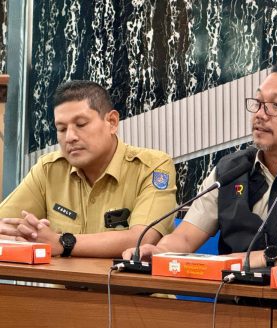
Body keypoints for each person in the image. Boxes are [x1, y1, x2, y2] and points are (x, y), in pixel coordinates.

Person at [123, 62, 277, 270]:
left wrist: (263, 258)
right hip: (234, 304)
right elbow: (186, 237)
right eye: (258, 103)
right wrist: (156, 251)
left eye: (276, 106)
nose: (260, 115)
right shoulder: (229, 169)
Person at [0, 80, 177, 257]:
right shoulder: (49, 169)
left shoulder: (152, 167)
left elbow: (142, 239)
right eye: (61, 129)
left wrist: (62, 242)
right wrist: (24, 234)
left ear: (112, 122)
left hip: (119, 283)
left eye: (81, 124)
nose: (70, 137)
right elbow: (3, 223)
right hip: (60, 283)